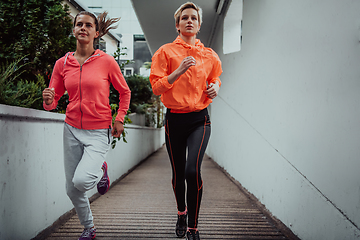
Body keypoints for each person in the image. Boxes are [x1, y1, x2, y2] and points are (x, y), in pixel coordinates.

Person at [42, 11, 131, 240]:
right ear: (73, 30)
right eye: (79, 24)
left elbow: (124, 92)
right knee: (71, 189)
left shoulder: (106, 61)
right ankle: (89, 228)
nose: (83, 28)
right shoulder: (62, 64)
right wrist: (49, 100)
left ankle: (101, 169)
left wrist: (119, 117)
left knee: (81, 180)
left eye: (88, 25)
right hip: (71, 128)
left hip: (99, 130)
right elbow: (53, 101)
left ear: (96, 32)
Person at [149, 2, 222, 240]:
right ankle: (181, 212)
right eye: (184, 18)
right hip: (175, 121)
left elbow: (215, 77)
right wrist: (177, 71)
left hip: (200, 119)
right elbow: (157, 87)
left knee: (192, 170)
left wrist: (215, 87)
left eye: (193, 18)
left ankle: (193, 226)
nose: (189, 21)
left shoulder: (209, 55)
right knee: (179, 173)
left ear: (199, 25)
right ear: (178, 25)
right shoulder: (165, 52)